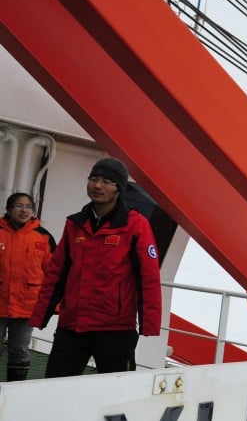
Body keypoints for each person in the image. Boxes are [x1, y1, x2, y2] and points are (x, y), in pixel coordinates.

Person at [31, 157, 162, 376]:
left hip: (115, 329)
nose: (98, 185)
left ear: (119, 188)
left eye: (107, 181)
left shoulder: (135, 225)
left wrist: (149, 323)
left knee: (117, 393)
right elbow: (56, 273)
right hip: (72, 325)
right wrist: (40, 315)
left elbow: (148, 277)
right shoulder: (75, 224)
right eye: (94, 179)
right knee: (53, 387)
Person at [0, 193, 56, 381]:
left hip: (26, 306)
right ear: (8, 209)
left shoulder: (43, 237)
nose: (24, 210)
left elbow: (54, 274)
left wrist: (55, 305)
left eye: (28, 207)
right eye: (18, 205)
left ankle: (15, 391)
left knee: (19, 349)